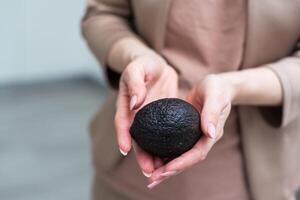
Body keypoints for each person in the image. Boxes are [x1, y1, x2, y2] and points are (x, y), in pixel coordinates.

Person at [81, 0, 300, 199]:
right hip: (124, 177)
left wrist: (235, 87)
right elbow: (103, 14)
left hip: (249, 180)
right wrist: (138, 56)